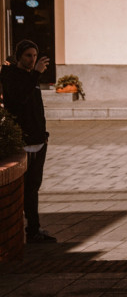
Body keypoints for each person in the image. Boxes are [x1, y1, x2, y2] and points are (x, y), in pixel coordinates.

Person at [0, 39, 56, 243]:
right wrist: (36, 74)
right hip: (23, 142)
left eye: (34, 56)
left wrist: (44, 135)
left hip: (38, 141)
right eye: (28, 56)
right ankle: (28, 229)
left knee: (33, 188)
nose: (32, 60)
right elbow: (18, 100)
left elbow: (35, 108)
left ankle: (33, 229)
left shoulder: (30, 78)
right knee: (24, 189)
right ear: (18, 57)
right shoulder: (11, 76)